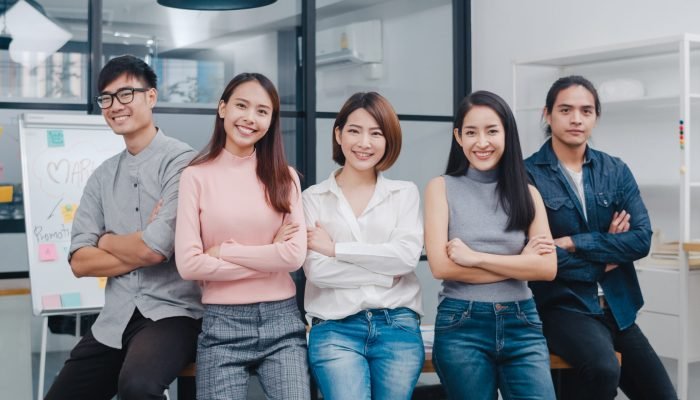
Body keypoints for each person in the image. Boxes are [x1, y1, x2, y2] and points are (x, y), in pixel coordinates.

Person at [45, 55, 203, 400]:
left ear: (151, 97)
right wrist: (142, 250)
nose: (115, 106)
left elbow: (154, 247)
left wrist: (105, 240)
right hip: (115, 318)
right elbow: (80, 263)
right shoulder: (102, 176)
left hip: (173, 313)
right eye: (107, 98)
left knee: (138, 387)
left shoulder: (183, 162)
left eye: (126, 94)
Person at [524, 75, 677, 399]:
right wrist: (605, 257)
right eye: (565, 109)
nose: (576, 118)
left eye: (586, 110)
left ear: (596, 117)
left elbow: (640, 239)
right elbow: (537, 255)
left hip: (617, 307)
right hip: (562, 307)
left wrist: (576, 242)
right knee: (602, 370)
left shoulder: (614, 170)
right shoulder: (527, 175)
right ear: (547, 114)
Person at [175, 72, 309, 400]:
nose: (250, 118)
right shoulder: (195, 177)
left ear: (271, 120)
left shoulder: (285, 177)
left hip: (283, 322)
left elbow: (293, 257)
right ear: (222, 109)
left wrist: (224, 252)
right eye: (241, 106)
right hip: (222, 326)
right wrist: (269, 253)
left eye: (262, 111)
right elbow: (189, 265)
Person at [424, 90, 557, 399]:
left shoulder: (528, 194)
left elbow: (547, 268)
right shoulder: (441, 188)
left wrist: (473, 258)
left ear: (507, 134)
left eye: (492, 131)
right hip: (461, 324)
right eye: (471, 132)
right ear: (458, 136)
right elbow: (441, 267)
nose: (481, 142)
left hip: (522, 322)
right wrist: (521, 264)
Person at [303, 92, 424, 400]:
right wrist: (384, 274)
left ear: (388, 140)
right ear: (338, 134)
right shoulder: (312, 198)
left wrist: (335, 250)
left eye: (376, 133)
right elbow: (318, 273)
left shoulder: (404, 194)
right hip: (334, 328)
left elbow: (406, 258)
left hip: (397, 324)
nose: (364, 143)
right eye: (355, 130)